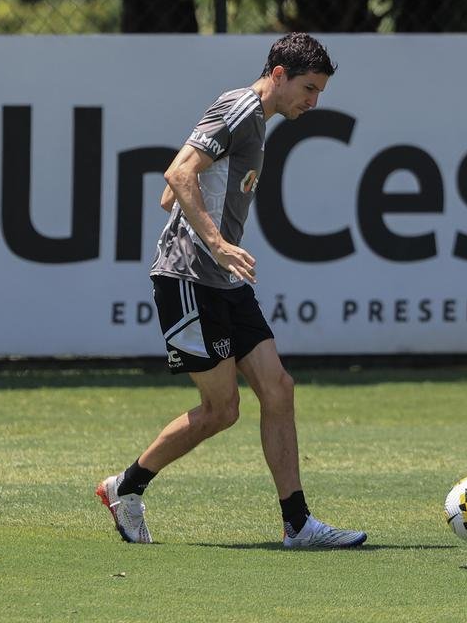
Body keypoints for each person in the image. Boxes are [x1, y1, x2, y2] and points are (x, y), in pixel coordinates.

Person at [97, 33, 366, 549]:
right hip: (188, 277)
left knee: (278, 388)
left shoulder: (256, 121)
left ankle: (298, 525)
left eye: (320, 92)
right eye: (309, 89)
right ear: (279, 75)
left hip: (222, 279)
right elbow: (178, 173)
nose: (314, 102)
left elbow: (175, 188)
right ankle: (125, 488)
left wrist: (198, 212)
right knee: (222, 409)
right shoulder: (241, 107)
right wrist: (218, 242)